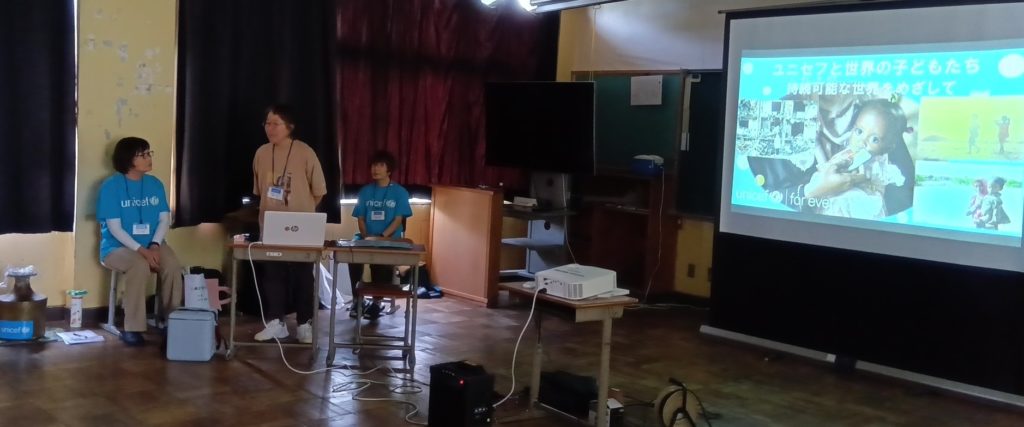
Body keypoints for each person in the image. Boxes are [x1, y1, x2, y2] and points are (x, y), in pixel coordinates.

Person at [96, 137, 183, 346]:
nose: (148, 158)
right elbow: (115, 228)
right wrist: (142, 251)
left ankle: (173, 321)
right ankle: (133, 327)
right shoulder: (111, 187)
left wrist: (155, 244)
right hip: (117, 247)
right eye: (142, 155)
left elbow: (164, 219)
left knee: (172, 265)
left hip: (153, 244)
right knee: (139, 265)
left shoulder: (155, 184)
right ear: (128, 159)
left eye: (148, 153)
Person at [251, 104, 327, 342]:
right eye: (267, 123)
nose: (270, 128)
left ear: (289, 127)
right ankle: (276, 322)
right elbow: (260, 190)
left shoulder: (305, 152)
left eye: (276, 123)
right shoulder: (261, 153)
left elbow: (319, 192)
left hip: (301, 225)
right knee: (272, 274)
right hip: (270, 224)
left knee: (303, 275)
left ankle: (305, 323)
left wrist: (301, 211)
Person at [347, 150, 413, 320]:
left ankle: (377, 302)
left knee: (381, 262)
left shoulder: (400, 192)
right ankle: (357, 299)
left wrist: (381, 237)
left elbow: (398, 220)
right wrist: (366, 237)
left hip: (390, 238)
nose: (375, 169)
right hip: (366, 236)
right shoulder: (365, 191)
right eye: (373, 165)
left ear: (389, 169)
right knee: (351, 256)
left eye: (380, 165)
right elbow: (361, 218)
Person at [816, 99, 908, 218]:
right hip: (836, 204)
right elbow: (826, 168)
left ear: (888, 147)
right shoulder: (847, 152)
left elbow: (894, 177)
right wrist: (819, 149)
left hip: (863, 207)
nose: (862, 141)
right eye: (859, 131)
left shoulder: (879, 164)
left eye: (874, 139)